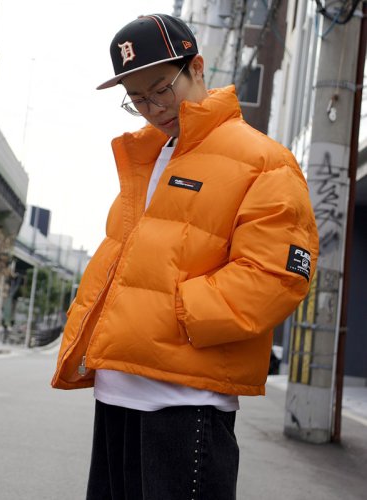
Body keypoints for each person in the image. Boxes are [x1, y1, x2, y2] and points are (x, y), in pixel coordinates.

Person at [52, 13, 319, 500]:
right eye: (136, 99)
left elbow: (276, 275)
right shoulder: (149, 156)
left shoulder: (265, 160)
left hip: (187, 400)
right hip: (116, 388)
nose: (152, 108)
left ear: (196, 67)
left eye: (161, 89)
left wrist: (178, 313)